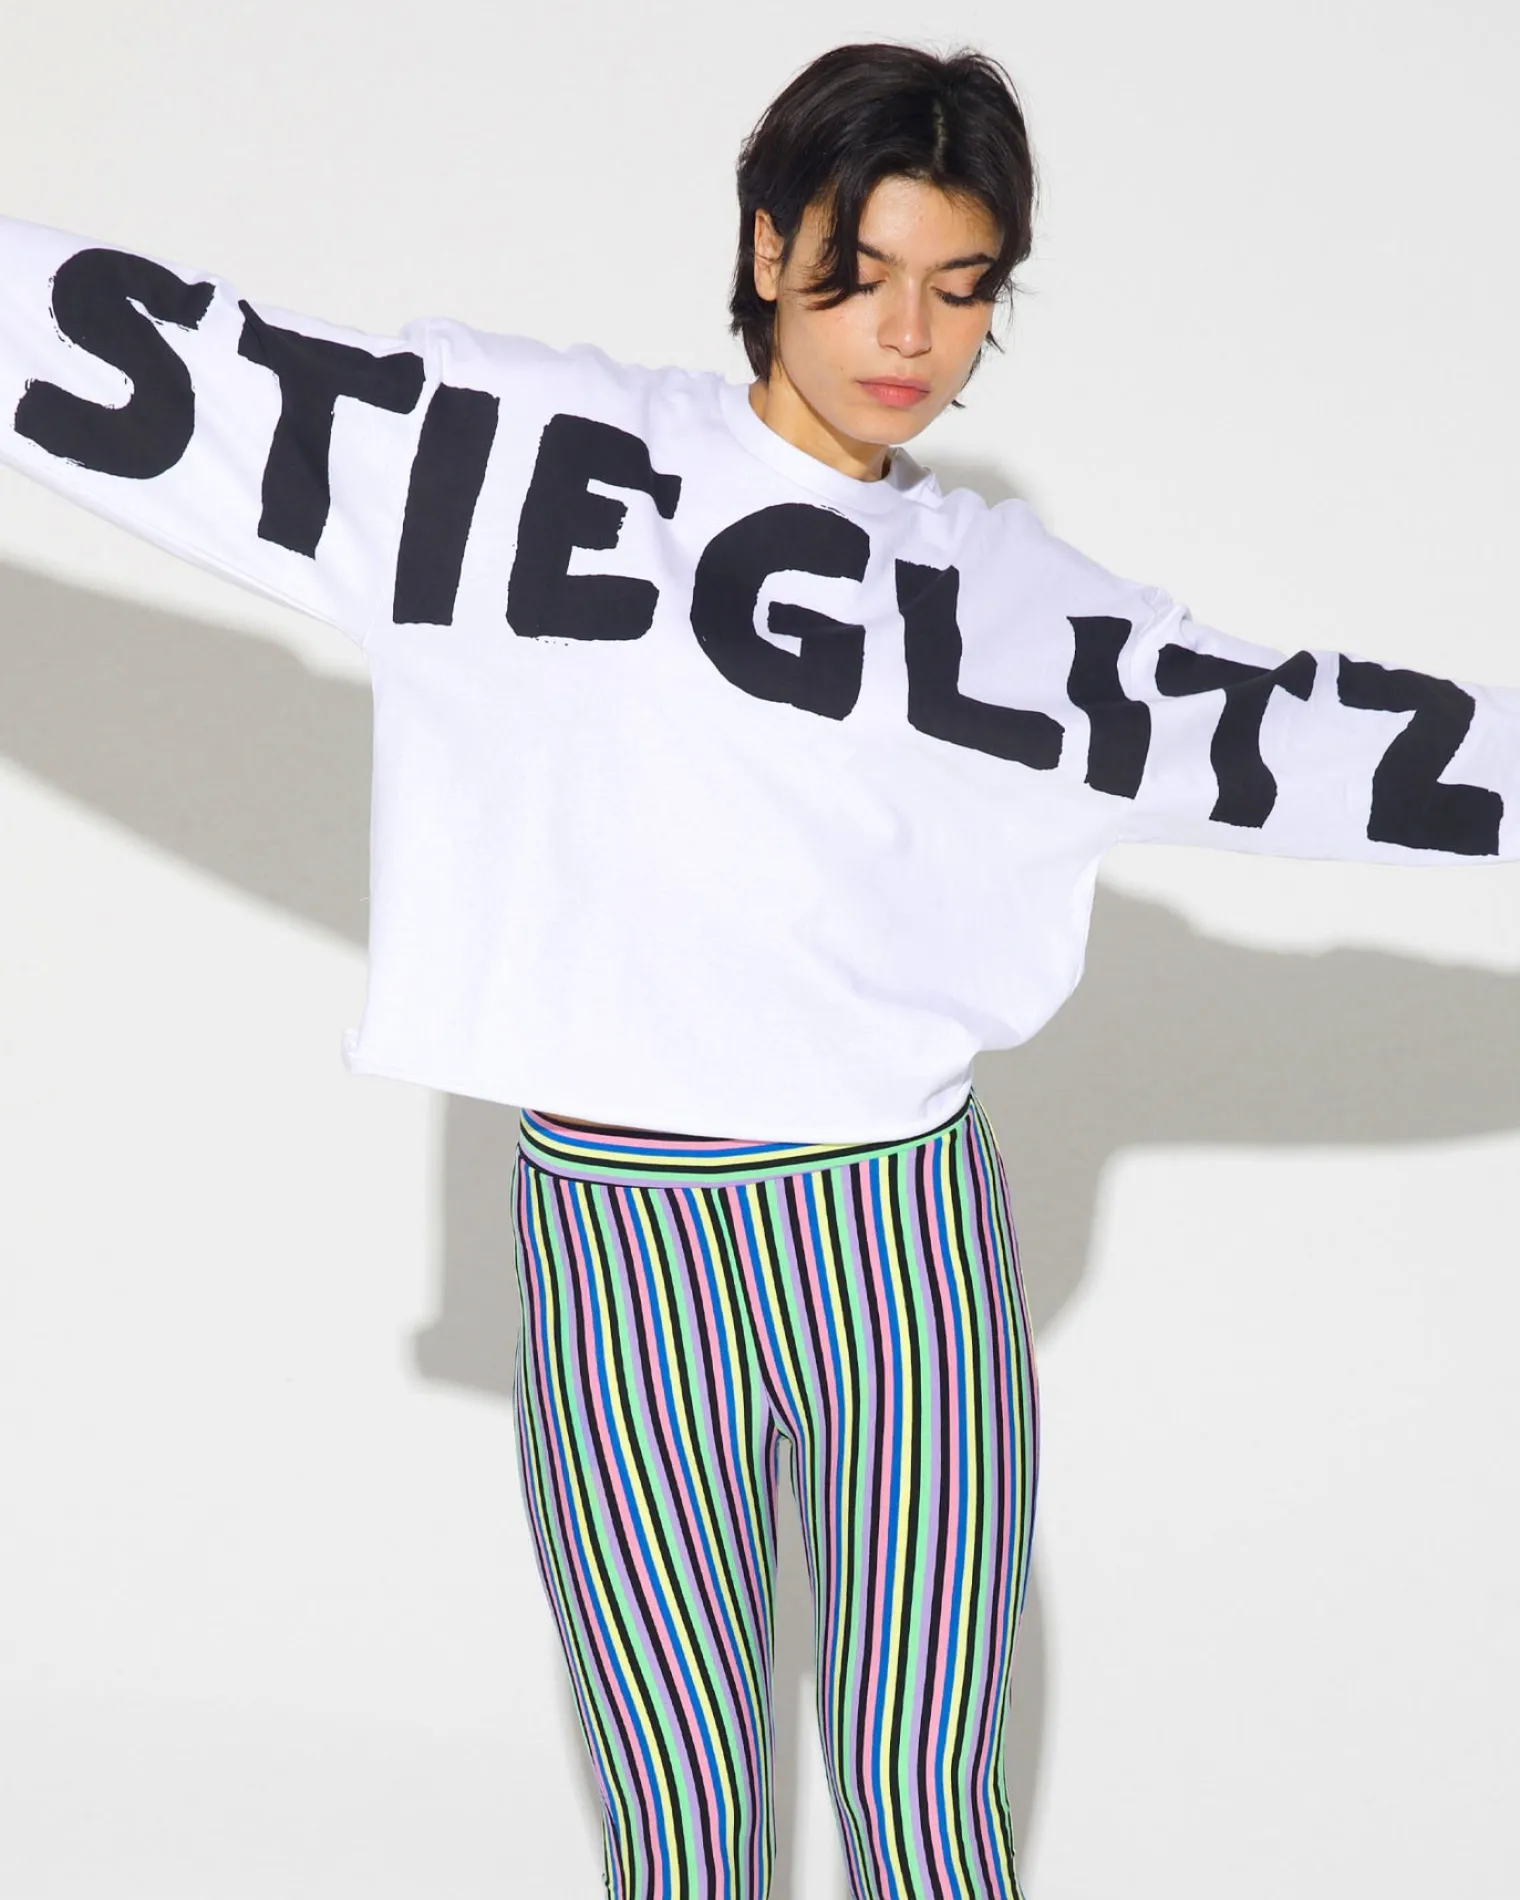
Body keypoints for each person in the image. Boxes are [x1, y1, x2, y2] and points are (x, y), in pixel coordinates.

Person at [2, 37, 1516, 1900]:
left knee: (923, 1800)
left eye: (962, 287)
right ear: (769, 242)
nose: (910, 335)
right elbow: (178, 362)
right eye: (862, 273)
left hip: (901, 1242)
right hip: (618, 1239)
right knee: (676, 1824)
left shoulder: (1012, 608)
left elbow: (1320, 736)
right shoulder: (529, 461)